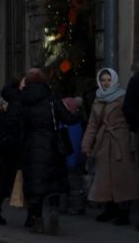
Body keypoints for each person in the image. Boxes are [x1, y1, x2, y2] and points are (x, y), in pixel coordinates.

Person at [19, 67, 80, 234]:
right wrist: (80, 114)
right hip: (52, 145)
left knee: (35, 184)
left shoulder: (22, 99)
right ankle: (53, 210)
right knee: (53, 182)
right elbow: (68, 118)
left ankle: (38, 221)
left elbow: (17, 124)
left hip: (31, 147)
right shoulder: (51, 98)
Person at [82, 68, 139, 226]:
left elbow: (130, 115)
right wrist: (87, 144)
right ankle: (109, 209)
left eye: (108, 80)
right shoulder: (98, 99)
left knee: (123, 178)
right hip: (104, 142)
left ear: (114, 80)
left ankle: (124, 213)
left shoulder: (122, 97)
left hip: (121, 141)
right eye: (103, 80)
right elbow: (93, 124)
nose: (106, 83)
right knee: (105, 178)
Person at [0, 75, 24, 225]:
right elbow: (0, 131)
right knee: (5, 182)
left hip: (13, 149)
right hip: (10, 150)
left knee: (9, 181)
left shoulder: (18, 101)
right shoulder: (14, 103)